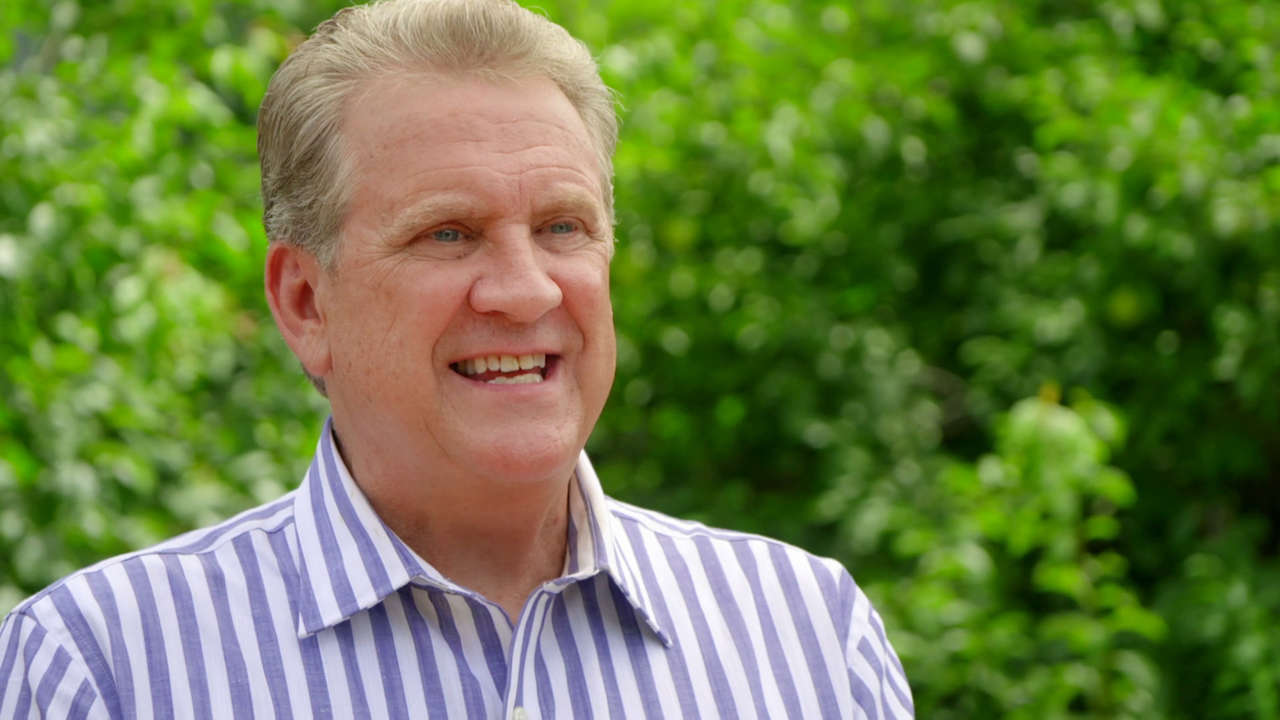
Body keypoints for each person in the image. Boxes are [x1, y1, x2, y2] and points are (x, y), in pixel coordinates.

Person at [0, 0, 913, 717]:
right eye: (448, 233)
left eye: (563, 227)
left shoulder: (808, 637)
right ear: (306, 303)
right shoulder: (104, 667)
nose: (525, 290)